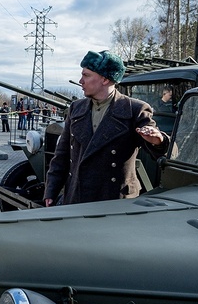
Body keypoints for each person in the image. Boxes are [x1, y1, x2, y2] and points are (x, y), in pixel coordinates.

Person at [43, 50, 170, 206]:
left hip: (114, 201)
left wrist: (158, 141)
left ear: (104, 79)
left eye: (86, 75)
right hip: (77, 197)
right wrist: (51, 191)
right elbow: (62, 155)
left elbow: (166, 153)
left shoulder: (134, 109)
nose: (80, 81)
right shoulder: (76, 108)